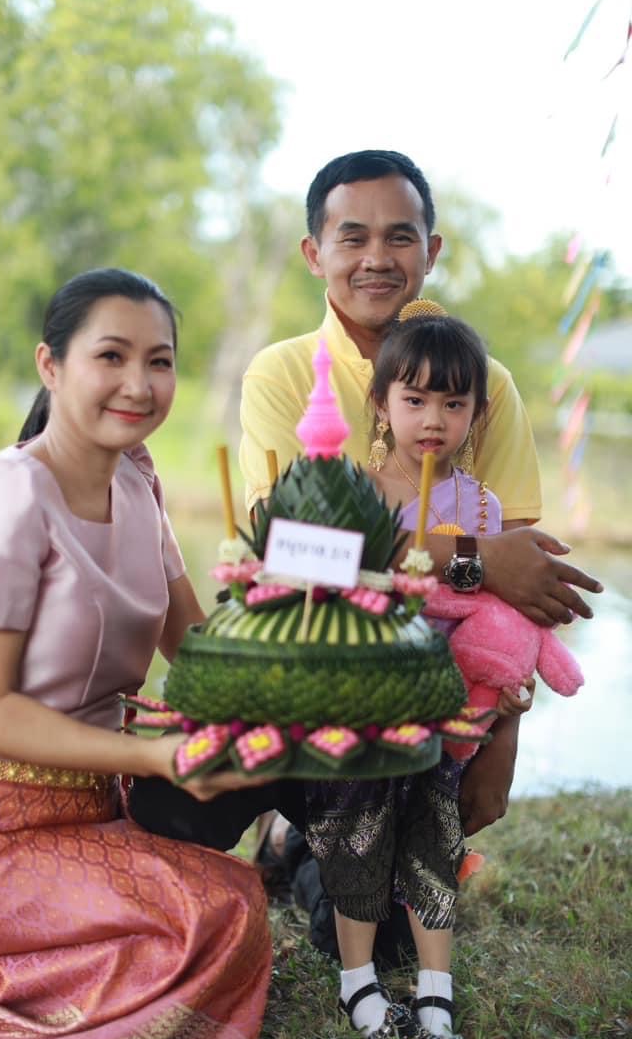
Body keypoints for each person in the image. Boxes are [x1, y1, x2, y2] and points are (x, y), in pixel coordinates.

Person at [0, 268, 272, 1039]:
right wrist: (156, 756)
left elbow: (195, 645)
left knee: (233, 898)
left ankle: (19, 971)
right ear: (51, 364)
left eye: (159, 361)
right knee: (210, 916)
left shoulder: (138, 481)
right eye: (111, 356)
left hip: (86, 812)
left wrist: (306, 642)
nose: (139, 384)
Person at [239, 148, 602, 860]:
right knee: (353, 886)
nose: (377, 258)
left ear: (431, 251)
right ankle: (296, 827)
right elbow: (292, 549)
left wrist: (505, 732)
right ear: (314, 254)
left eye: (399, 237)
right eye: (353, 238)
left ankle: (333, 844)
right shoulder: (282, 374)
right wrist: (470, 556)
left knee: (407, 884)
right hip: (324, 661)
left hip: (448, 684)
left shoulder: (484, 383)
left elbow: (519, 580)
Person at [307, 300, 527, 1039]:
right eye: (415, 399)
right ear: (381, 403)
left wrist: (506, 696)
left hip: (446, 707)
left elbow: (495, 613)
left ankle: (437, 989)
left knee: (435, 832)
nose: (433, 419)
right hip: (365, 704)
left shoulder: (480, 510)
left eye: (453, 403)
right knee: (361, 827)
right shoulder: (355, 493)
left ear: (477, 413)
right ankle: (358, 980)